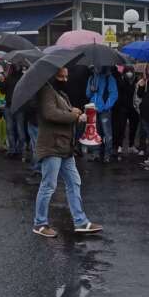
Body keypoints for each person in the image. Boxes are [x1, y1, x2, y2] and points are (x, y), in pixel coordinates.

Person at [32, 66, 102, 238]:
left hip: (65, 147)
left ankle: (81, 221)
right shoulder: (46, 90)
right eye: (61, 76)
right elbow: (51, 114)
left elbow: (64, 112)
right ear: (52, 76)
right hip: (52, 146)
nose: (64, 80)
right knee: (48, 185)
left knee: (74, 183)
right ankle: (39, 223)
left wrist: (74, 112)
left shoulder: (60, 94)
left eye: (66, 76)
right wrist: (74, 116)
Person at [86, 66, 118, 163]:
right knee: (95, 132)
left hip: (104, 110)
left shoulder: (109, 78)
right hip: (93, 109)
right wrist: (91, 90)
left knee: (107, 133)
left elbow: (114, 94)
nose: (96, 67)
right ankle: (96, 154)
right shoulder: (91, 78)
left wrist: (106, 106)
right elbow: (88, 94)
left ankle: (107, 155)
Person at [113, 67, 138, 161]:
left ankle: (131, 145)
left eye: (131, 71)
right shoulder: (121, 80)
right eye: (127, 72)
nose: (129, 73)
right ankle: (120, 145)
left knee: (134, 127)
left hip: (134, 108)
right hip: (123, 107)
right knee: (121, 126)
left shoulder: (136, 81)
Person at [3, 65, 26, 159]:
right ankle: (17, 149)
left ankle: (15, 150)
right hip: (16, 106)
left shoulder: (10, 77)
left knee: (12, 129)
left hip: (13, 106)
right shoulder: (22, 77)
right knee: (16, 129)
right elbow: (3, 90)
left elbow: (2, 90)